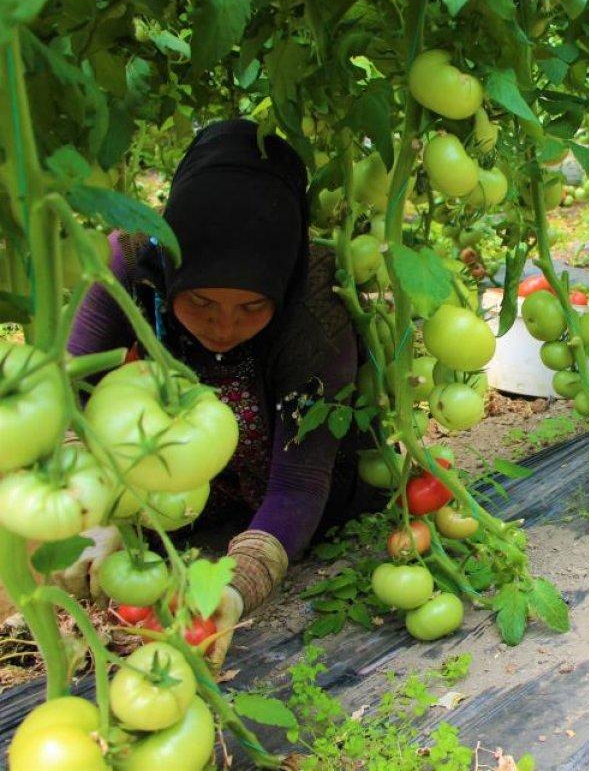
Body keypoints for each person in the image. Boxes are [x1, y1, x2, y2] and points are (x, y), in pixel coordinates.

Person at [67, 119, 371, 663]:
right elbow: (70, 396)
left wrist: (238, 587)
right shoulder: (130, 262)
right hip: (172, 489)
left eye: (252, 307)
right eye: (201, 302)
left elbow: (300, 483)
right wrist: (90, 514)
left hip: (285, 480)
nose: (223, 327)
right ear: (171, 270)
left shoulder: (316, 313)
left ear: (283, 285)